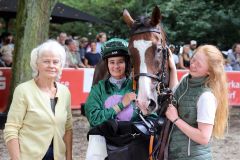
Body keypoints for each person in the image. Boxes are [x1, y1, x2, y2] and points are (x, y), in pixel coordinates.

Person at [3, 40, 73, 160]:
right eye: (46, 61)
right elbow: (11, 128)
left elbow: (68, 128)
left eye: (55, 62)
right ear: (37, 63)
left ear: (60, 65)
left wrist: (69, 157)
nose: (51, 65)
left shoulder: (65, 92)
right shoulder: (23, 90)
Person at [166, 45, 229, 159]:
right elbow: (175, 91)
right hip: (177, 154)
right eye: (193, 59)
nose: (192, 64)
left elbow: (204, 137)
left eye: (198, 64)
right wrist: (172, 68)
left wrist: (175, 119)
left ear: (209, 71)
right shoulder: (187, 77)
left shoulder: (206, 97)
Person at [85, 38, 138, 127]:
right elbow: (94, 119)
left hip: (131, 137)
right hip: (104, 136)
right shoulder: (98, 89)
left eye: (120, 62)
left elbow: (151, 116)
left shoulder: (137, 87)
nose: (116, 66)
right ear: (107, 65)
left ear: (127, 64)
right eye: (112, 62)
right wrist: (121, 105)